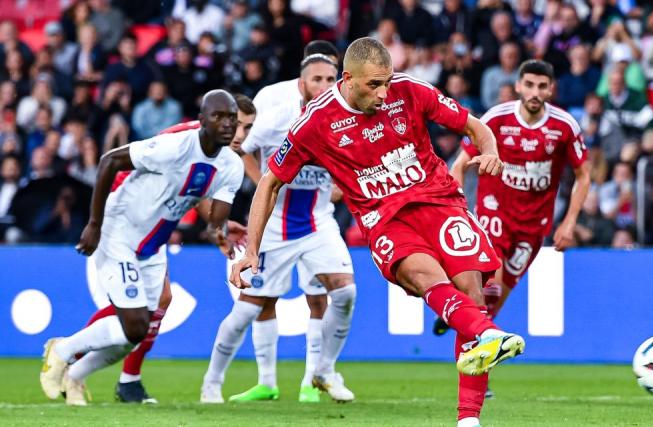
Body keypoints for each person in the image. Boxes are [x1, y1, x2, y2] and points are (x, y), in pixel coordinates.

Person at [229, 37, 525, 427]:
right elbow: (269, 182)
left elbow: (474, 126)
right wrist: (252, 250)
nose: (384, 93)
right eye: (374, 85)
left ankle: (468, 419)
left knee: (471, 290)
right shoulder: (315, 121)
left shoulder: (411, 90)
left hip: (440, 202)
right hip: (385, 218)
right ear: (349, 79)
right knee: (423, 276)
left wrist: (491, 152)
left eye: (386, 82)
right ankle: (487, 333)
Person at [39, 90, 245, 406]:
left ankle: (76, 376)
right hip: (119, 232)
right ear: (201, 120)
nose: (228, 124)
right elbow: (110, 160)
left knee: (133, 336)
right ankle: (62, 350)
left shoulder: (231, 165)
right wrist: (94, 223)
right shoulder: (174, 146)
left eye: (232, 117)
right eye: (219, 116)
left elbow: (215, 218)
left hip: (152, 245)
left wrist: (219, 232)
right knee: (133, 325)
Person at [200, 54, 354, 404]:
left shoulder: (345, 120)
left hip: (318, 222)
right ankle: (212, 381)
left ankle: (323, 372)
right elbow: (239, 149)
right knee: (248, 308)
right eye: (318, 79)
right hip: (274, 227)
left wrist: (341, 189)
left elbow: (357, 164)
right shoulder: (276, 119)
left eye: (332, 80)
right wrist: (264, 185)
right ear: (302, 84)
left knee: (344, 292)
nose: (325, 87)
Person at [433, 60, 591, 345]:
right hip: (493, 216)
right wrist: (457, 211)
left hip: (533, 228)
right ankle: (478, 366)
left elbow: (584, 176)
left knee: (493, 303)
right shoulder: (496, 118)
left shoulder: (564, 126)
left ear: (551, 90)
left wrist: (568, 223)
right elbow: (460, 165)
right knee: (488, 289)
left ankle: (458, 312)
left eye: (542, 86)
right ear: (518, 85)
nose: (534, 92)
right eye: (529, 85)